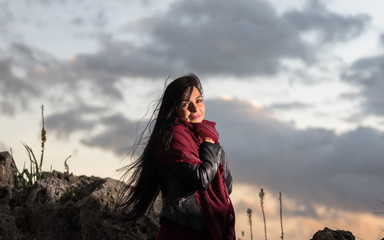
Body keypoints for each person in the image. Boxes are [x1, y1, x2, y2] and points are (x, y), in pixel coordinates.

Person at [118, 73, 235, 240]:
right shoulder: (174, 136)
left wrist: (212, 146)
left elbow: (227, 187)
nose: (195, 109)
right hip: (182, 231)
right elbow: (201, 179)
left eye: (199, 101)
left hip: (202, 231)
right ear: (174, 108)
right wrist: (210, 146)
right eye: (186, 104)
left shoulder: (202, 136)